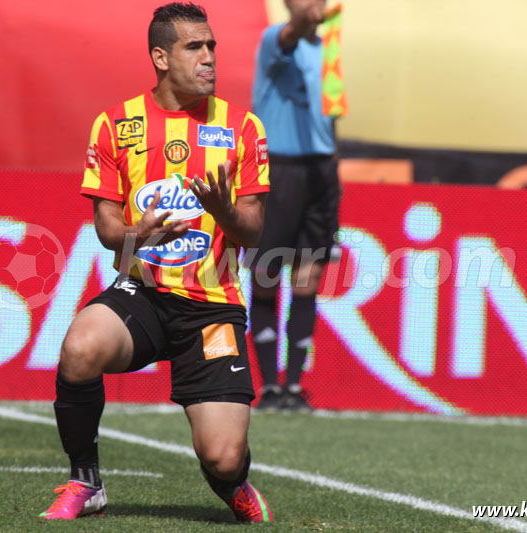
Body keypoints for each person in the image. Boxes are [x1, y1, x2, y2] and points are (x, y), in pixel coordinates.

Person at [38, 2, 273, 523]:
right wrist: (133, 234)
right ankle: (86, 481)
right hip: (141, 292)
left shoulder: (243, 127)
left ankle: (234, 484)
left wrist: (223, 210)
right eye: (195, 47)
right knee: (79, 347)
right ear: (161, 57)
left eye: (212, 46)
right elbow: (106, 229)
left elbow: (254, 231)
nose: (209, 57)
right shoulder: (115, 123)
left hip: (212, 307)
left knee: (223, 455)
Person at [250, 0, 341, 412]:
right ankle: (269, 385)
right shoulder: (276, 40)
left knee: (309, 279)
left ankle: (294, 386)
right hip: (279, 169)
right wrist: (305, 15)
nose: (316, 5)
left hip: (320, 170)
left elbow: (329, 114)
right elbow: (293, 31)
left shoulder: (328, 48)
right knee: (267, 273)